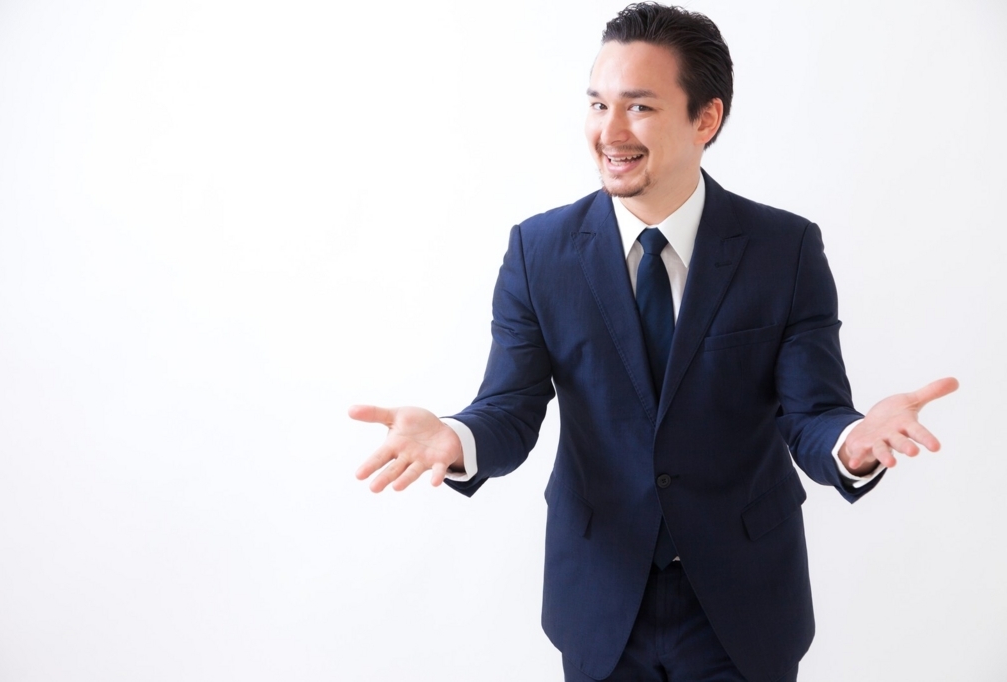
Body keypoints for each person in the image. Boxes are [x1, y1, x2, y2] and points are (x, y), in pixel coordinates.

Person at [350, 4, 958, 681]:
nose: (609, 132)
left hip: (745, 601)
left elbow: (811, 412)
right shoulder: (538, 251)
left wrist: (854, 440)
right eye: (597, 104)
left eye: (638, 107)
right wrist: (457, 437)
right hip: (601, 596)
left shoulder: (783, 250)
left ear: (706, 119)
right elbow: (510, 409)